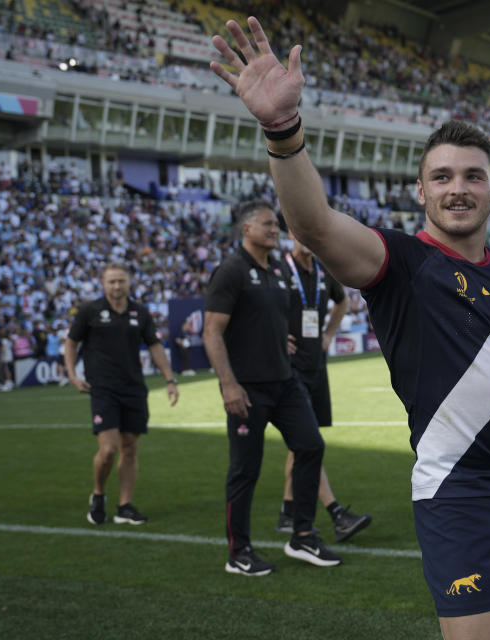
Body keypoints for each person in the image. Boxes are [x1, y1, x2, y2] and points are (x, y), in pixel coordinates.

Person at [210, 19, 490, 639]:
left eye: (473, 176)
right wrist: (282, 131)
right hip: (459, 498)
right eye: (443, 177)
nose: (459, 188)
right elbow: (314, 225)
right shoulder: (398, 262)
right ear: (420, 190)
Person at [202, 200, 341, 577]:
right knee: (245, 469)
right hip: (247, 388)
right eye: (267, 224)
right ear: (246, 229)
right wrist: (228, 385)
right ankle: (239, 551)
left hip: (285, 380)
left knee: (311, 445)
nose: (274, 229)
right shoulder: (231, 271)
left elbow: (275, 318)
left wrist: (284, 340)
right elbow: (211, 332)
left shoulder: (279, 268)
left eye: (274, 224)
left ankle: (302, 534)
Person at [63, 263, 179, 527]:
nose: (116, 286)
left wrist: (169, 380)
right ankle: (99, 494)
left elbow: (155, 346)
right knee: (108, 450)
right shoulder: (89, 311)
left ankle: (124, 505)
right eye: (112, 281)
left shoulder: (141, 312)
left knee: (130, 447)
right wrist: (72, 375)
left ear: (129, 283)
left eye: (121, 281)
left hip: (134, 388)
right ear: (103, 284)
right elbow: (71, 343)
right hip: (103, 388)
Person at [275, 230, 373, 543]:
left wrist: (329, 333)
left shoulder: (321, 271)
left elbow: (341, 302)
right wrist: (275, 337)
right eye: (300, 234)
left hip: (316, 366)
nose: (307, 239)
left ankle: (287, 513)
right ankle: (336, 513)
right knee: (307, 442)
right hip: (288, 370)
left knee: (299, 445)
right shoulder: (278, 268)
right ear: (291, 234)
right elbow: (261, 308)